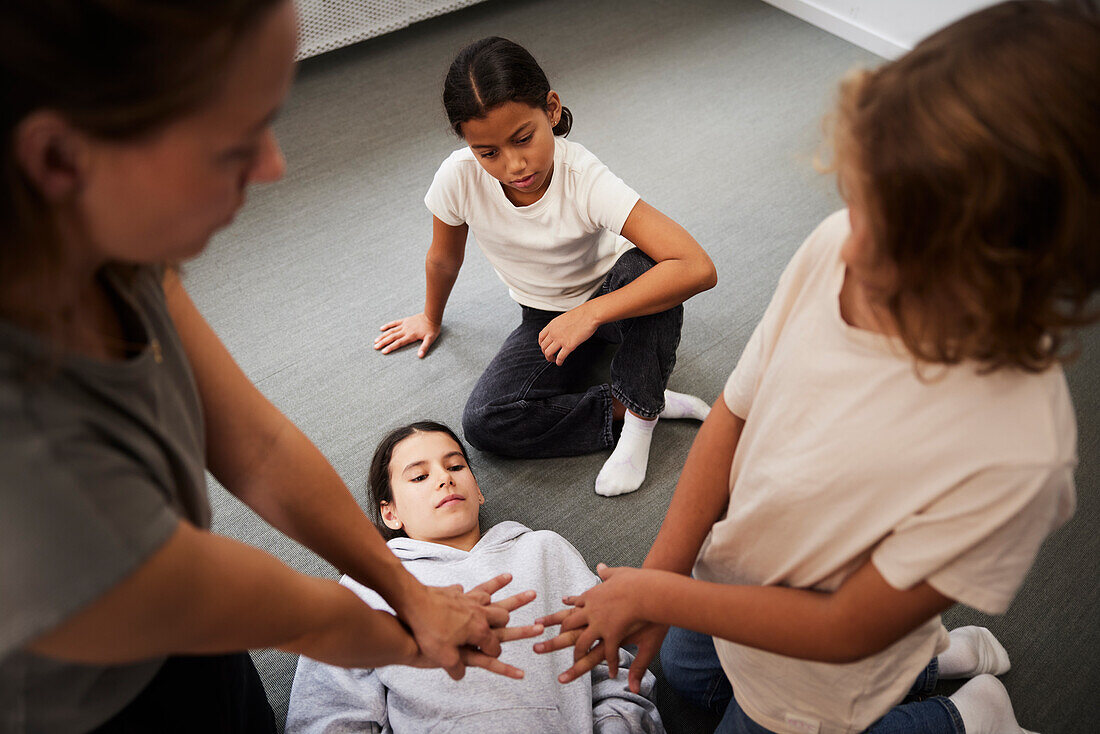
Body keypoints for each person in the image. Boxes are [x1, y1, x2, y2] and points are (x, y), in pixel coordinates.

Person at [533, 2, 1099, 733]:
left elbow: (844, 631)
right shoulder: (841, 243)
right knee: (686, 675)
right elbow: (732, 417)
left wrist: (656, 599)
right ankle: (939, 658)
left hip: (827, 667)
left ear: (1019, 265)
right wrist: (663, 578)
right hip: (729, 572)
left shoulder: (1018, 452)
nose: (855, 247)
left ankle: (970, 716)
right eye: (862, 199)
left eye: (901, 241)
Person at [0, 3, 539, 732]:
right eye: (232, 144)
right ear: (61, 159)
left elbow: (256, 446)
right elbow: (301, 618)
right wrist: (411, 626)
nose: (275, 166)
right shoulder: (34, 468)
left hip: (194, 638)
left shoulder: (104, 238)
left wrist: (405, 589)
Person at [374, 37, 718, 497]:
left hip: (615, 298)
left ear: (551, 110)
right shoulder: (457, 178)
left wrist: (592, 312)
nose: (514, 165)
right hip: (544, 316)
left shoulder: (584, 177)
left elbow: (697, 266)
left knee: (651, 266)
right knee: (485, 423)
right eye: (488, 152)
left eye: (523, 139)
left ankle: (641, 418)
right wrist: (430, 317)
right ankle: (629, 401)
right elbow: (443, 257)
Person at [285, 422, 664, 733]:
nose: (444, 480)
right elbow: (327, 714)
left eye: (455, 467)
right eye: (419, 477)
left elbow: (614, 668)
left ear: (478, 491)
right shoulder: (365, 587)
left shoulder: (545, 550)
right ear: (390, 515)